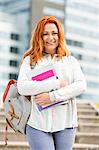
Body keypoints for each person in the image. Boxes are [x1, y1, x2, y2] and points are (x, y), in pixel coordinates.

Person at [17, 16, 86, 150]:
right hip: (37, 124)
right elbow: (22, 87)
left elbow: (80, 85)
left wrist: (52, 97)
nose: (50, 38)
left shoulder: (70, 61)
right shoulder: (30, 61)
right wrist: (55, 84)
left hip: (66, 124)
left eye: (54, 33)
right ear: (39, 37)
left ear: (59, 35)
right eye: (45, 34)